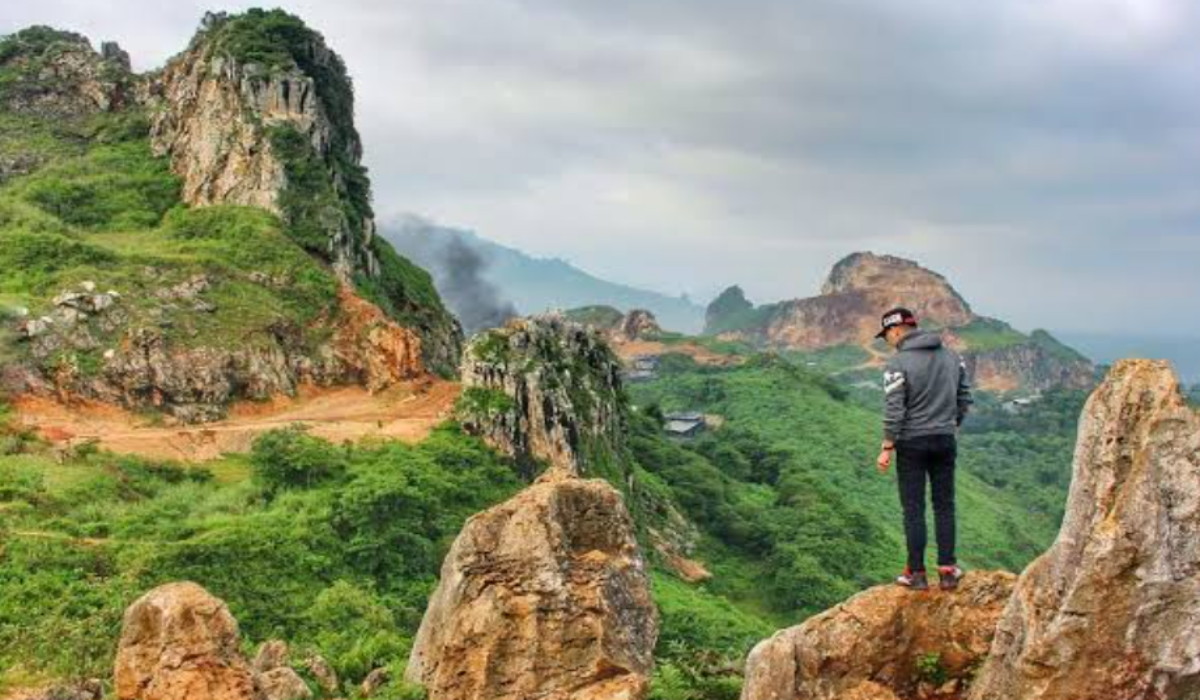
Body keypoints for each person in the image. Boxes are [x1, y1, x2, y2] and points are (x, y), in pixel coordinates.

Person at [873, 307, 972, 591]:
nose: (887, 340)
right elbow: (964, 397)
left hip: (912, 444)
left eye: (886, 335)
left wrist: (887, 446)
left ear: (895, 330)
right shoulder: (953, 357)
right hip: (944, 439)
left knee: (913, 509)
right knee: (944, 506)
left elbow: (895, 409)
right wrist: (952, 425)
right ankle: (948, 571)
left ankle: (916, 575)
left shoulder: (897, 363)